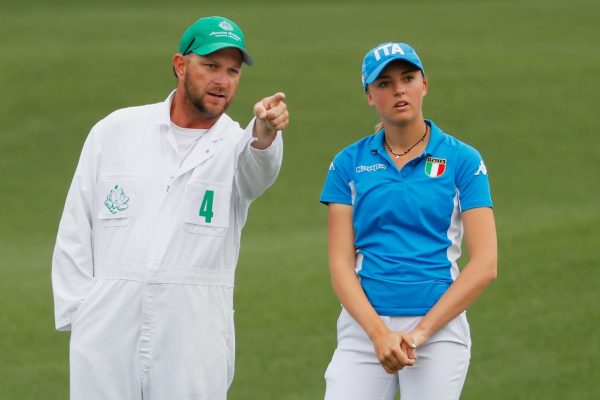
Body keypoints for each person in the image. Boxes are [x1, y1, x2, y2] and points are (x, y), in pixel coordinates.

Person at [52, 16, 289, 400]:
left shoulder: (237, 144)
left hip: (194, 333)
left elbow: (257, 171)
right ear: (180, 65)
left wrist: (264, 134)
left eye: (232, 71)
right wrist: (83, 314)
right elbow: (76, 228)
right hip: (107, 328)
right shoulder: (115, 131)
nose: (223, 81)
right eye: (211, 66)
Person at [319, 42, 497, 400]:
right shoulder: (347, 163)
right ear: (369, 95)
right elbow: (340, 262)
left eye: (408, 78)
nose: (398, 89)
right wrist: (378, 334)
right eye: (384, 83)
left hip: (438, 329)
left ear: (424, 84)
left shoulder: (463, 160)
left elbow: (485, 264)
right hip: (364, 331)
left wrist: (420, 333)